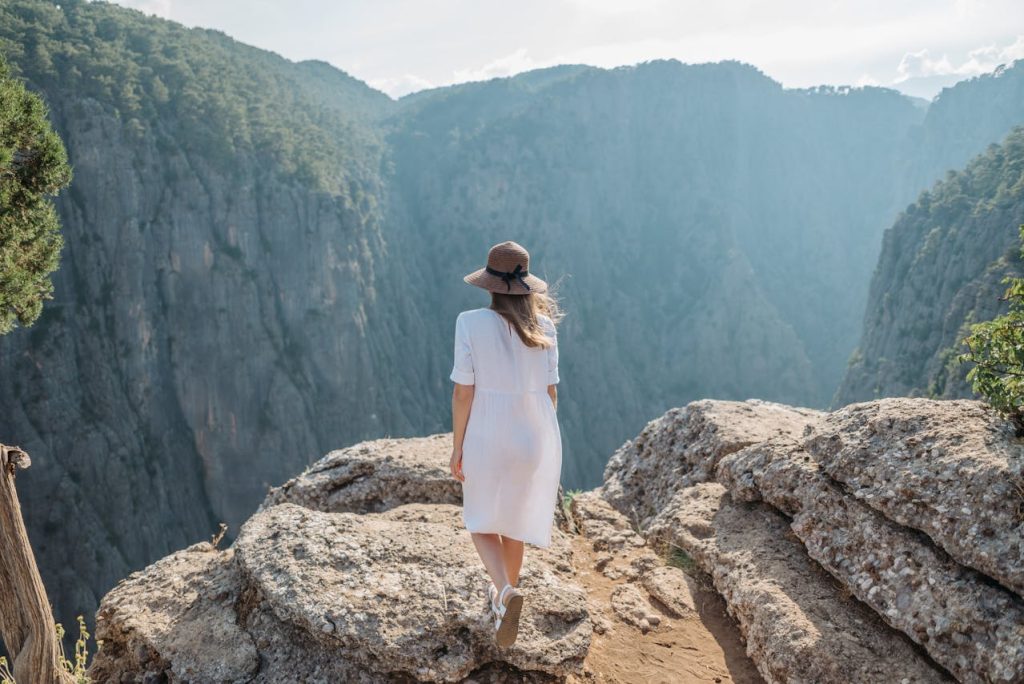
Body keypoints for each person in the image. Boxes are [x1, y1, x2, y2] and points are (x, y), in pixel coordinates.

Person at [449, 240, 564, 649]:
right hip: (533, 434)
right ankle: (505, 603)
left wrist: (457, 446)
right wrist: (540, 440)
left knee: (480, 521)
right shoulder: (545, 328)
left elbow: (464, 392)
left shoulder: (470, 322)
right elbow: (550, 394)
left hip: (488, 433)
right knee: (513, 523)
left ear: (490, 285)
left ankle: (504, 592)